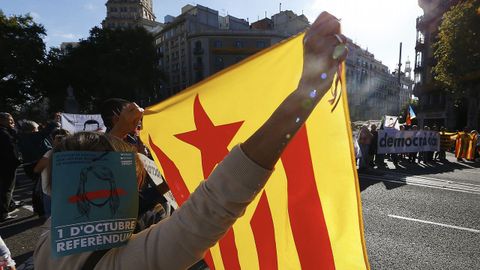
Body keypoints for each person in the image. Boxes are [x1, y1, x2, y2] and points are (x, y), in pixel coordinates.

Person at [33, 12, 348, 269]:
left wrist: (116, 136)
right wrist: (306, 92)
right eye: (122, 182)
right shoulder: (122, 264)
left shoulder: (48, 243)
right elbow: (214, 203)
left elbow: (64, 177)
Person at [33, 128, 70, 217]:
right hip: (68, 191)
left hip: (51, 192)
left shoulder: (50, 153)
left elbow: (37, 169)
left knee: (51, 220)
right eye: (59, 138)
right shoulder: (75, 152)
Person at [0, 113, 21, 222]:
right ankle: (3, 213)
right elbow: (12, 146)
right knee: (7, 188)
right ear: (2, 121)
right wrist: (16, 161)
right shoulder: (4, 133)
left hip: (4, 163)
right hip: (7, 164)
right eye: (10, 120)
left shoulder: (4, 131)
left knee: (6, 187)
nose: (12, 122)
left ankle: (10, 204)